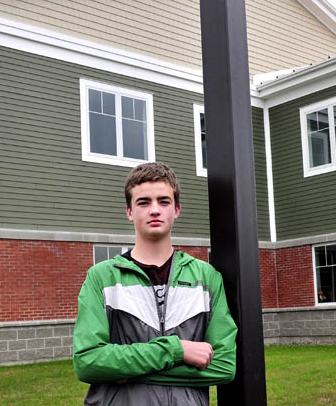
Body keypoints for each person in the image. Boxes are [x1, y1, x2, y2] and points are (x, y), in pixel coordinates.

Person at [73, 162, 237, 405]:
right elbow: (88, 362)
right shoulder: (101, 277)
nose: (155, 210)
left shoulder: (206, 278)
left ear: (176, 210)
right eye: (143, 202)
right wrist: (177, 350)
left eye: (163, 201)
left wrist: (125, 370)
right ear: (129, 212)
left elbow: (224, 366)